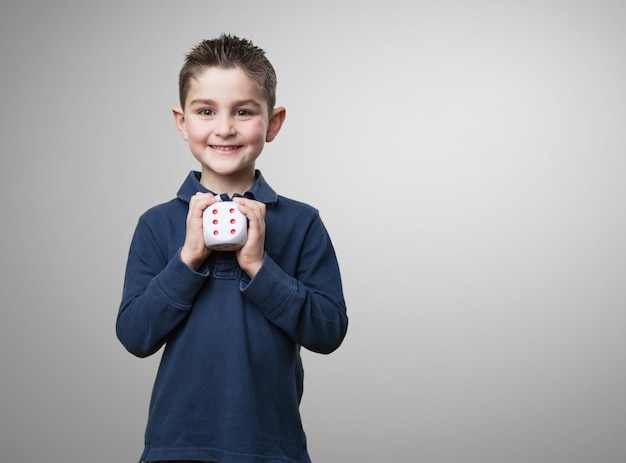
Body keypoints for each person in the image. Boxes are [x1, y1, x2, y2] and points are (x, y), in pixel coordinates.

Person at [116, 33, 348, 463]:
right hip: (177, 447)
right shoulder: (157, 224)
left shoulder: (301, 222)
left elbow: (329, 331)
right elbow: (134, 335)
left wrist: (260, 267)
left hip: (271, 448)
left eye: (243, 112)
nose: (224, 127)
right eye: (206, 111)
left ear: (273, 122)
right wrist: (187, 260)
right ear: (182, 121)